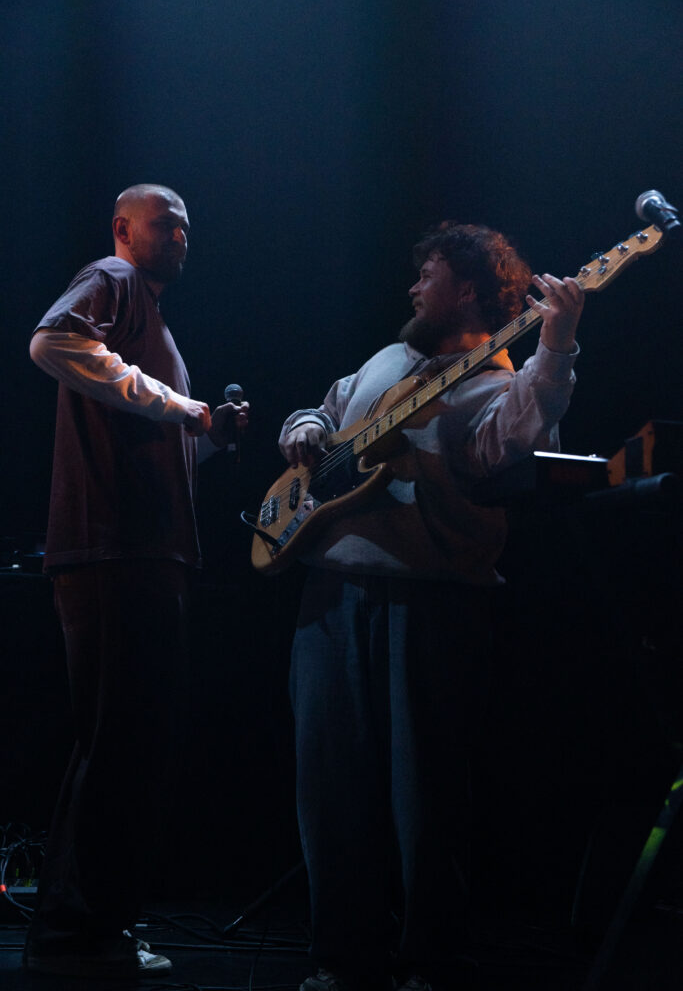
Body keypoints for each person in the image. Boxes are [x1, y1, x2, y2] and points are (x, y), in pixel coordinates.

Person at [277, 222, 584, 991]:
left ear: (468, 288)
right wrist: (306, 428)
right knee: (329, 788)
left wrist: (556, 346)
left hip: (430, 597)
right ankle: (341, 959)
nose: (413, 287)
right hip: (331, 589)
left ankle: (430, 965)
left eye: (429, 275)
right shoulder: (387, 360)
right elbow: (326, 409)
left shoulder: (496, 380)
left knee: (428, 794)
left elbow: (514, 439)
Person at [24, 184, 249, 978]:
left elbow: (158, 441)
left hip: (145, 552)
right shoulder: (113, 280)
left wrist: (207, 434)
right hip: (114, 550)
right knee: (119, 743)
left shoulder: (148, 318)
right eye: (166, 225)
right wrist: (185, 407)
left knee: (130, 744)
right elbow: (50, 342)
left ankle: (94, 929)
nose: (182, 237)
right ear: (123, 229)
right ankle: (79, 936)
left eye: (187, 228)